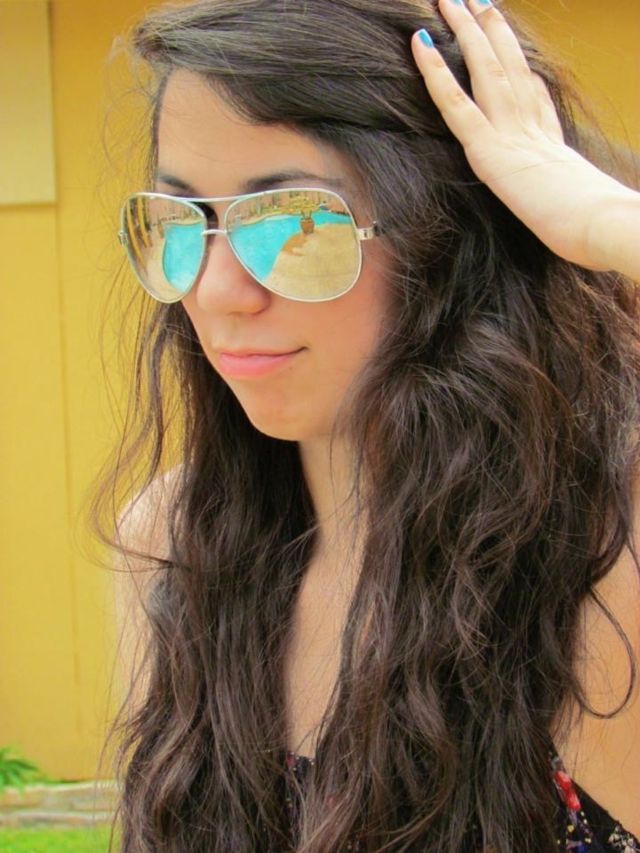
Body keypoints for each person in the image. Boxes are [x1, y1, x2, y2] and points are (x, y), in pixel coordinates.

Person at [97, 0, 640, 849]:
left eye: (295, 222)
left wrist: (607, 222)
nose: (218, 291)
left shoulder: (602, 552)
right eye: (181, 223)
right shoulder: (173, 545)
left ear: (445, 237)